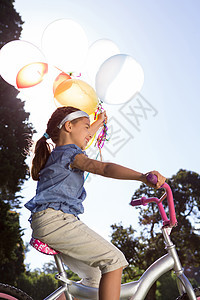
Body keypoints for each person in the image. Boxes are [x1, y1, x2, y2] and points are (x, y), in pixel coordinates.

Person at [25, 106, 166, 300]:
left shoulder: (57, 155)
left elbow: (85, 134)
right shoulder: (70, 154)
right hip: (56, 221)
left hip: (47, 222)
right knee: (114, 260)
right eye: (86, 127)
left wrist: (99, 121)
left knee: (94, 277)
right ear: (68, 126)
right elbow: (105, 168)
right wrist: (142, 176)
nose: (88, 134)